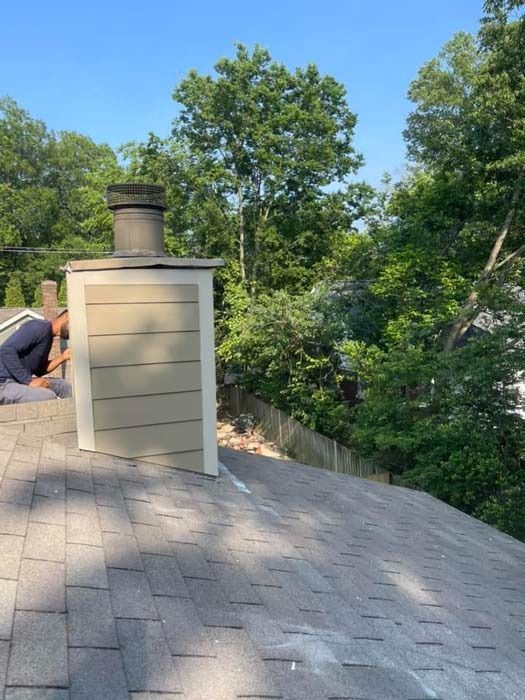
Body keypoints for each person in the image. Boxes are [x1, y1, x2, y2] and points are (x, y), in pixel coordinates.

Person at [0, 310, 72, 404]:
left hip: (19, 381)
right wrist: (29, 380)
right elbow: (6, 350)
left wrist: (62, 357)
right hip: (3, 383)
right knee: (47, 396)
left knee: (65, 386)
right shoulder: (39, 327)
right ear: (66, 316)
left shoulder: (48, 337)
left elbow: (39, 371)